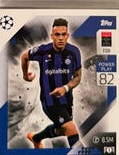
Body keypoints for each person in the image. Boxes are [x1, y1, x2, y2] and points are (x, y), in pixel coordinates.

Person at [21, 18, 82, 149]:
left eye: (63, 34)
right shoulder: (43, 51)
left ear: (67, 35)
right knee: (71, 129)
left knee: (62, 130)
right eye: (57, 34)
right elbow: (25, 56)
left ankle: (36, 138)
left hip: (67, 99)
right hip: (49, 100)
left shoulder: (74, 52)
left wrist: (65, 88)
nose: (60, 38)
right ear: (52, 36)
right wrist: (26, 75)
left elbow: (78, 77)